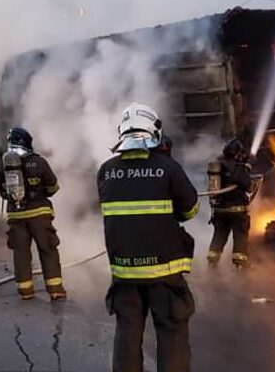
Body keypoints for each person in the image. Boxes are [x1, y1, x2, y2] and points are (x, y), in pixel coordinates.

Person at [97, 103, 199, 372]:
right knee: (172, 333)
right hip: (164, 273)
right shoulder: (168, 169)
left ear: (121, 132)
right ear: (155, 132)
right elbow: (190, 210)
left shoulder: (106, 171)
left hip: (125, 274)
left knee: (127, 336)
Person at [0, 127, 66, 301]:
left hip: (16, 216)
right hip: (39, 215)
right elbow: (53, 187)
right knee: (48, 249)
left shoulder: (4, 164)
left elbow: (3, 192)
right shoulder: (39, 162)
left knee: (21, 253)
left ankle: (25, 291)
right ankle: (55, 289)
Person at [206, 138, 253, 269]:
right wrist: (246, 166)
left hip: (220, 210)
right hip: (237, 210)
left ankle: (212, 261)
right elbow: (247, 185)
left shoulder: (218, 164)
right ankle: (240, 263)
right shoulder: (237, 166)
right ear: (237, 152)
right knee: (240, 235)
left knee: (219, 235)